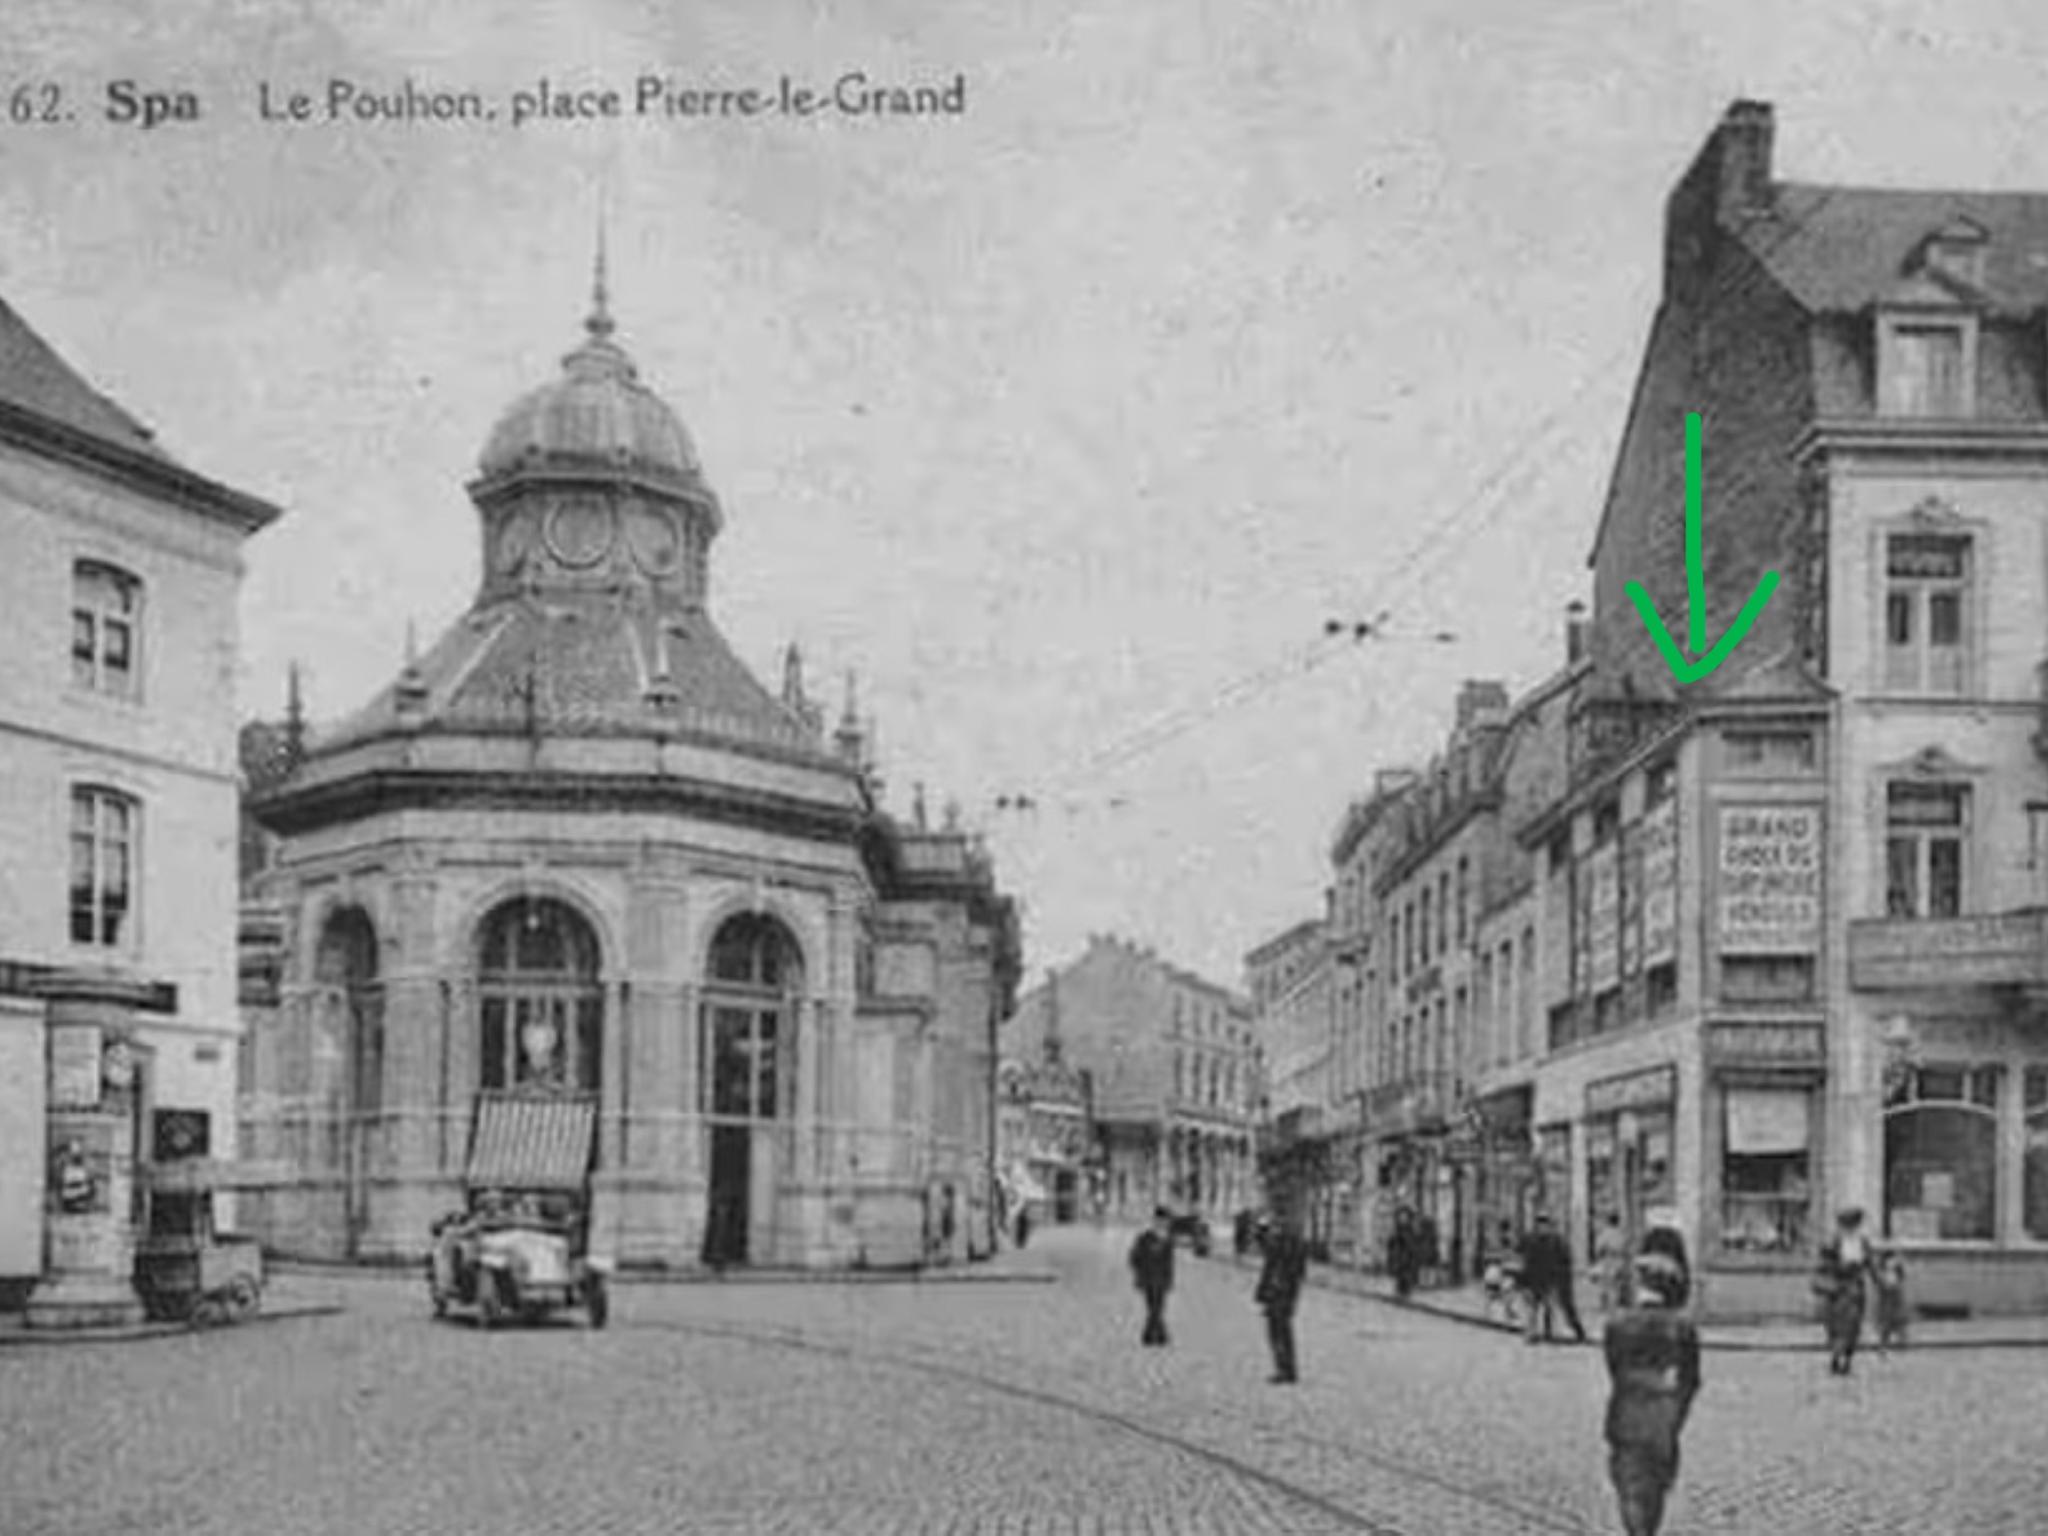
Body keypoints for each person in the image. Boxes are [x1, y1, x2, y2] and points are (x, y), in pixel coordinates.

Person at [1602, 1252, 1702, 1536]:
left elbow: (1614, 1368)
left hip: (1626, 1414)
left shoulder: (1617, 1323)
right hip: (1664, 1417)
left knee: (1629, 1487)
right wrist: (1678, 1413)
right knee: (1656, 1488)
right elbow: (1692, 1379)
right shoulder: (1683, 1327)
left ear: (1641, 1284)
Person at [1813, 1206, 1875, 1375]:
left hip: (1856, 1291)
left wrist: (1880, 1281)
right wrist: (1836, 1270)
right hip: (1838, 1290)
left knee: (1853, 1326)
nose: (1850, 1229)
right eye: (1847, 1225)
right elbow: (1823, 1266)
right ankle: (1835, 1357)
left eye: (1854, 1225)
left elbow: (1870, 1264)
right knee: (1836, 1326)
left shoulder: (1862, 1243)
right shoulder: (1833, 1243)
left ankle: (1847, 1359)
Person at [1255, 1210, 1310, 1384]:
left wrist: (1280, 1288)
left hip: (1281, 1293)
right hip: (1281, 1293)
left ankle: (1285, 1369)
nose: (1276, 1227)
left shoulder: (1288, 1244)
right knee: (1279, 1331)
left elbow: (1294, 1271)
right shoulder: (1283, 1242)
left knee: (1279, 1331)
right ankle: (1285, 1368)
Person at [1518, 1211, 1589, 1344]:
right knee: (1535, 1307)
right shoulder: (1540, 1238)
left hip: (1546, 1278)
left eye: (1544, 1223)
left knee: (1544, 1307)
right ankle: (1533, 1333)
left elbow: (1564, 1259)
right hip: (1536, 1278)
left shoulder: (1552, 1240)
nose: (1542, 1226)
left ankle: (1542, 1332)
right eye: (1541, 1223)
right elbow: (1521, 1255)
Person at [1129, 1206, 1176, 1346]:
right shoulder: (1144, 1238)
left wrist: (1170, 1279)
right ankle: (1157, 1336)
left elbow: (1169, 1262)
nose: (1164, 1224)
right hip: (1148, 1278)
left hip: (1161, 1279)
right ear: (1156, 1221)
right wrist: (1139, 1274)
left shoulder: (1168, 1240)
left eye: (1166, 1221)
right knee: (1154, 1307)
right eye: (1162, 1221)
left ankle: (1153, 1336)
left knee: (1157, 1307)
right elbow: (1134, 1258)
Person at [1873, 1246, 1908, 1353]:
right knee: (1886, 1322)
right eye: (1889, 1259)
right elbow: (1878, 1281)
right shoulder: (1881, 1270)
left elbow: (1902, 1276)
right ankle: (1884, 1344)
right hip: (1886, 1297)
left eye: (1892, 1259)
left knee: (1898, 1319)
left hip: (1895, 1295)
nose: (1891, 1262)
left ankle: (1901, 1340)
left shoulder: (1897, 1268)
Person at [1595, 1213, 1631, 1312]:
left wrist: (1599, 1257)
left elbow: (1598, 1248)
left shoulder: (1605, 1233)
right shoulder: (1622, 1233)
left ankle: (1604, 1305)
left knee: (1604, 1284)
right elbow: (1626, 1247)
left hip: (1608, 1259)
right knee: (1617, 1284)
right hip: (1620, 1260)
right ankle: (1615, 1304)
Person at [1388, 1206, 1421, 1299]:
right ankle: (1400, 1291)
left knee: (1407, 1275)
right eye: (1401, 1217)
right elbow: (1392, 1243)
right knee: (1400, 1275)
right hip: (1398, 1256)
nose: (1402, 1219)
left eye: (1405, 1217)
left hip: (1408, 1256)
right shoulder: (1397, 1230)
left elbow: (1414, 1242)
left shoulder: (1411, 1229)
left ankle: (1406, 1292)